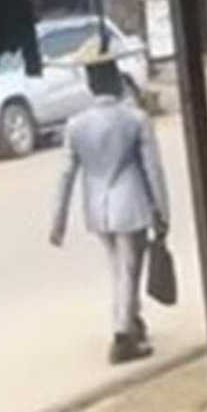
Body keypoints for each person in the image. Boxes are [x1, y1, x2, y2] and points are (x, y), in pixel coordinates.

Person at [50, 38, 171, 365]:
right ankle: (122, 335)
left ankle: (131, 321)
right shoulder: (135, 119)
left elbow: (66, 174)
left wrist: (57, 221)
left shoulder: (76, 125)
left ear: (91, 85)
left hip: (97, 208)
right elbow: (153, 170)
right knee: (129, 269)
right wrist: (162, 212)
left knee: (117, 268)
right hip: (131, 204)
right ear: (116, 81)